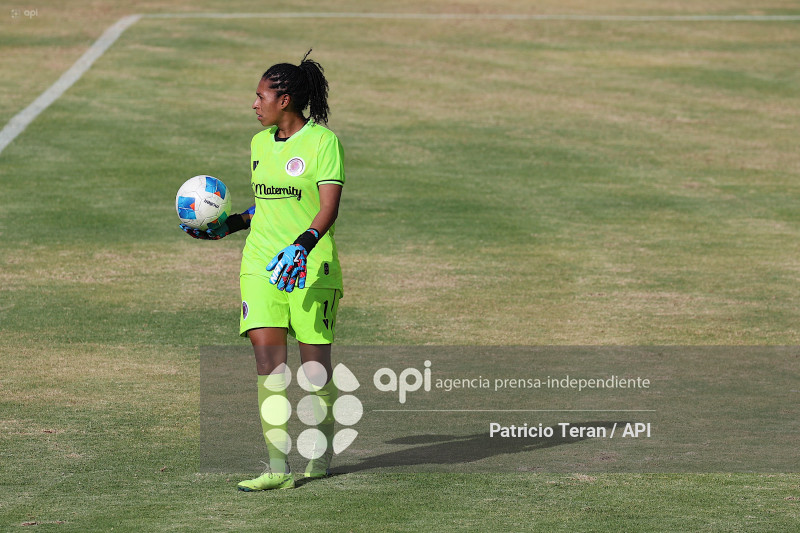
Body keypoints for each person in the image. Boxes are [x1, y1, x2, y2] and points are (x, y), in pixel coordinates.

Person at [181, 50, 345, 491]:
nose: (254, 104)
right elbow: (267, 208)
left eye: (260, 96)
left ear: (284, 99)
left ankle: (320, 456)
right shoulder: (258, 145)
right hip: (261, 266)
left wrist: (301, 247)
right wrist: (228, 226)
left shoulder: (322, 143)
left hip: (310, 268)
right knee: (269, 364)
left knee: (314, 373)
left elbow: (327, 207)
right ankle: (276, 467)